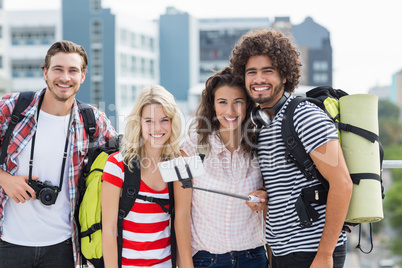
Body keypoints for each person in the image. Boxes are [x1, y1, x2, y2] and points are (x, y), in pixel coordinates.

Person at [229, 28, 353, 268]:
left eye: (268, 71)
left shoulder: (304, 115)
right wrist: (265, 193)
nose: (258, 79)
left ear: (284, 76)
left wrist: (325, 255)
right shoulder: (264, 122)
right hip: (283, 251)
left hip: (312, 252)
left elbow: (342, 183)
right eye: (251, 72)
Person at [0, 40, 117, 267]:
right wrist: (5, 180)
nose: (65, 78)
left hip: (64, 247)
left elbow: (127, 160)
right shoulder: (11, 107)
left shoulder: (92, 120)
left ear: (83, 76)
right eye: (58, 69)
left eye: (73, 70)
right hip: (7, 243)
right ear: (45, 73)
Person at [174, 67, 267, 267]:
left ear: (248, 104)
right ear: (213, 105)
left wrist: (264, 197)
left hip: (254, 258)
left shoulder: (261, 147)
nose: (230, 111)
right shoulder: (189, 149)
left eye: (238, 102)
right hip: (206, 260)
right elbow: (181, 214)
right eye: (222, 102)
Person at [101, 85, 181, 268]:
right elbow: (109, 229)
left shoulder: (176, 164)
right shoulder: (118, 164)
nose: (157, 128)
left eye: (164, 120)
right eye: (149, 121)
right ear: (138, 122)